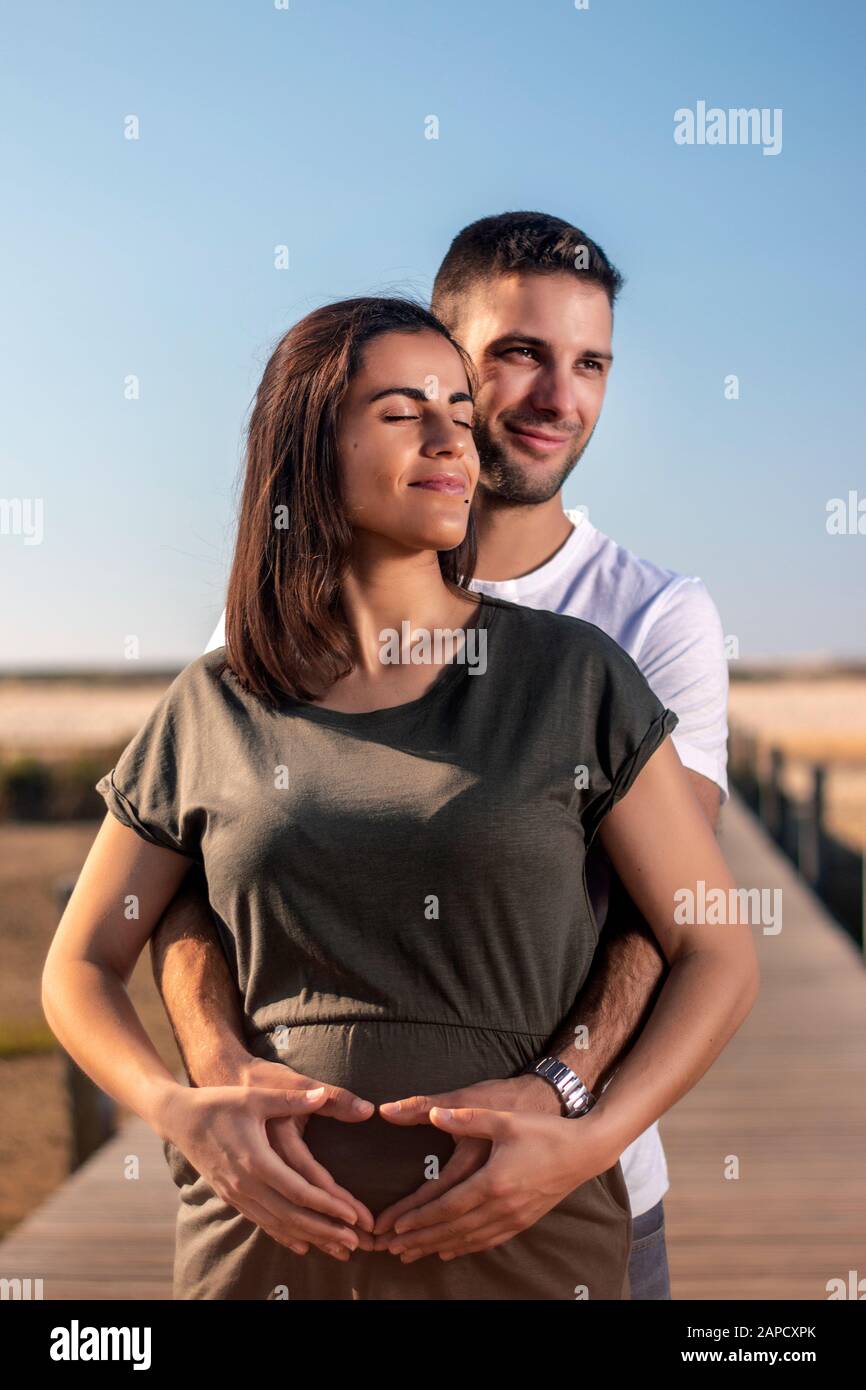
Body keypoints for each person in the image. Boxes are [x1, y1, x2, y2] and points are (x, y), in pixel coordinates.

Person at [42, 292, 757, 1301]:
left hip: (526, 1244)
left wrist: (587, 1135)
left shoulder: (573, 677)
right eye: (400, 411)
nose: (450, 439)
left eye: (459, 412)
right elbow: (80, 962)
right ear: (305, 446)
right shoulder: (212, 700)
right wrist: (176, 1105)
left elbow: (713, 947)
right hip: (261, 1250)